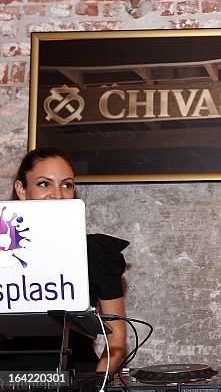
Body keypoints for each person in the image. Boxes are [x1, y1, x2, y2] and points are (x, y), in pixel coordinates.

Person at [10, 147, 128, 373]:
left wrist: (95, 384)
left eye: (67, 185)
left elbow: (117, 342)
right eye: (44, 184)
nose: (57, 194)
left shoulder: (95, 251)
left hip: (76, 376)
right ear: (21, 190)